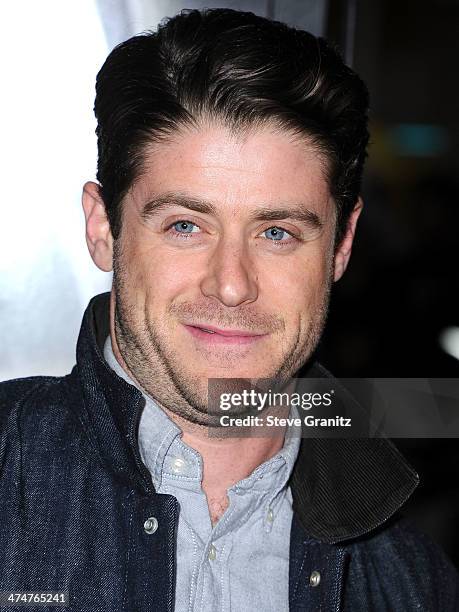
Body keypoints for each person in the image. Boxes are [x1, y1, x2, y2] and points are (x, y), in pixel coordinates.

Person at [0, 8, 457, 612]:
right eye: (186, 225)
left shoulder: (413, 582)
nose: (233, 285)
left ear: (341, 246)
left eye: (277, 233)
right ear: (103, 228)